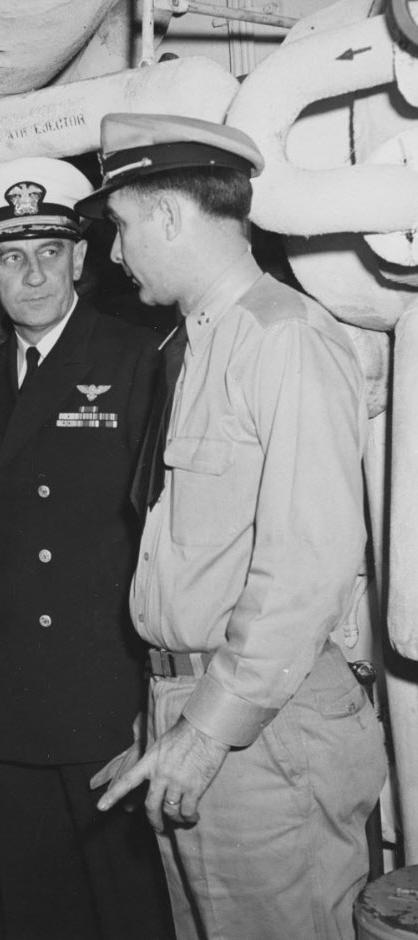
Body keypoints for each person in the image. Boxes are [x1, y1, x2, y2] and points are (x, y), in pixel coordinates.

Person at [81, 113, 388, 939]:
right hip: (203, 702)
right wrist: (169, 719)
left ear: (172, 217)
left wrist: (206, 730)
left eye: (122, 227)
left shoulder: (280, 340)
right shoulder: (191, 344)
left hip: (264, 727)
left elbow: (307, 566)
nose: (114, 253)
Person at [0, 156, 171, 938]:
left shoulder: (137, 357)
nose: (33, 274)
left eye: (49, 252)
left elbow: (165, 541)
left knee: (125, 912)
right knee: (36, 915)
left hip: (109, 702)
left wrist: (158, 703)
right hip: (11, 703)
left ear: (80, 257)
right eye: (11, 257)